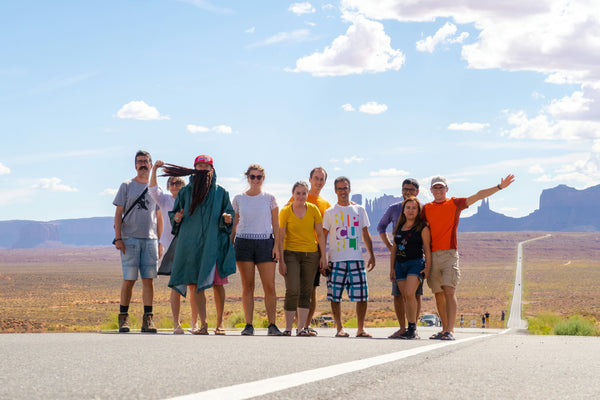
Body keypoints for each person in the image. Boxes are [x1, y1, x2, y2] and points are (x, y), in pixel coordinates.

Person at [423, 174, 515, 341]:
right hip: (432, 255)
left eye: (441, 187)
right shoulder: (426, 208)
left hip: (450, 254)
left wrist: (499, 187)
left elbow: (478, 195)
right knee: (438, 294)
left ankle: (450, 330)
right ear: (431, 190)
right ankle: (443, 329)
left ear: (446, 189)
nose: (438, 190)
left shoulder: (454, 203)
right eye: (435, 187)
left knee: (449, 290)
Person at [162, 155, 236, 335]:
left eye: (206, 166)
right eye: (199, 166)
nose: (202, 169)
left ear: (212, 169)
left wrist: (227, 219)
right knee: (195, 284)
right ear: (195, 168)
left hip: (214, 245)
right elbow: (175, 214)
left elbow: (229, 214)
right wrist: (176, 218)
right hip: (192, 245)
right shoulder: (186, 192)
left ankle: (219, 324)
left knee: (218, 285)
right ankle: (203, 324)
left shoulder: (221, 193)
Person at [113, 150, 163, 333]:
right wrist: (118, 238)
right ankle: (123, 318)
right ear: (135, 165)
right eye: (140, 161)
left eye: (146, 161)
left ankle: (148, 320)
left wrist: (160, 241)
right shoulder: (126, 186)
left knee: (148, 280)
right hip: (130, 239)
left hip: (150, 239)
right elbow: (118, 213)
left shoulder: (155, 189)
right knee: (129, 279)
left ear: (150, 165)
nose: (143, 164)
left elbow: (159, 215)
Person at [232, 164, 283, 336]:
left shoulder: (270, 198)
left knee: (269, 286)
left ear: (263, 178)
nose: (255, 180)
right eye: (252, 177)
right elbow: (235, 223)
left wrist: (276, 245)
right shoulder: (239, 198)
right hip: (244, 243)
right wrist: (229, 244)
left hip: (265, 243)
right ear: (248, 178)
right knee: (248, 286)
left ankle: (272, 325)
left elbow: (276, 224)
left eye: (259, 177)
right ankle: (248, 325)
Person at [323, 177, 375, 338]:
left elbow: (366, 233)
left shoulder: (359, 210)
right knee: (335, 295)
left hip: (356, 259)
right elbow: (323, 237)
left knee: (362, 295)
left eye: (345, 188)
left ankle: (360, 328)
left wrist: (372, 254)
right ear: (335, 191)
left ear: (349, 189)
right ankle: (339, 327)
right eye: (339, 189)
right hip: (336, 260)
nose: (342, 191)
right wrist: (323, 259)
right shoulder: (329, 212)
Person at [150, 160, 198, 334]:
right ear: (168, 186)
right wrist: (154, 169)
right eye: (172, 182)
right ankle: (176, 324)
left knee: (193, 286)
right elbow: (153, 189)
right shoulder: (164, 201)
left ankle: (195, 324)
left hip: (189, 247)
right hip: (172, 248)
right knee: (176, 286)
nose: (175, 185)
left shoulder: (191, 201)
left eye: (178, 182)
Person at [377, 178, 425, 338]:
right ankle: (402, 328)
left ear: (417, 192)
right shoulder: (394, 209)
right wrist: (390, 247)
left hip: (416, 258)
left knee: (414, 294)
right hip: (398, 259)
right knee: (398, 295)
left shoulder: (422, 209)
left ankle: (413, 327)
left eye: (411, 189)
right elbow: (380, 226)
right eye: (405, 189)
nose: (408, 192)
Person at [279, 181, 328, 336]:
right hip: (290, 254)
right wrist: (281, 261)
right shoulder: (286, 211)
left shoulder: (313, 209)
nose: (300, 196)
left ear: (307, 194)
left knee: (306, 291)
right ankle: (287, 328)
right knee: (292, 289)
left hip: (311, 255)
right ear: (293, 194)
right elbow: (280, 238)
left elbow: (320, 234)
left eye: (303, 193)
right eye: (298, 193)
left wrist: (323, 257)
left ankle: (301, 329)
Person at [389, 197, 431, 339]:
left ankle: (412, 329)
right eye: (408, 207)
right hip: (400, 265)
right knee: (405, 298)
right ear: (404, 210)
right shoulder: (399, 228)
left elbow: (427, 248)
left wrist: (428, 267)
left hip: (416, 263)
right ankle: (409, 328)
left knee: (409, 294)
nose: (411, 210)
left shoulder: (422, 227)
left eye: (414, 208)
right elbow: (394, 249)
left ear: (418, 211)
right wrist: (392, 268)